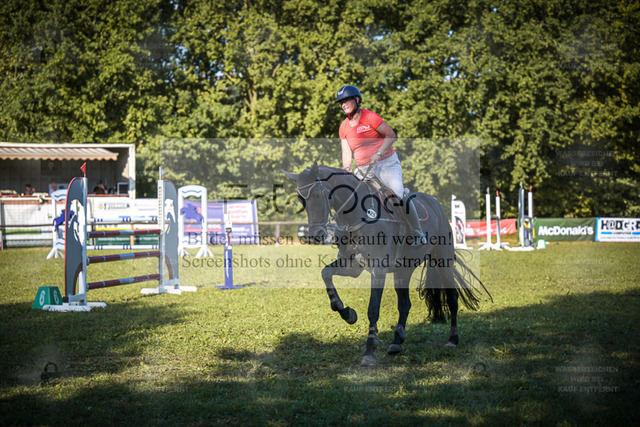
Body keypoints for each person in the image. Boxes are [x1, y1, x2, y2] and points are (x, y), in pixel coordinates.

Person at [336, 84, 426, 244]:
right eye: (341, 103)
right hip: (363, 169)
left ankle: (417, 231)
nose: (343, 105)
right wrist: (346, 170)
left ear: (357, 100)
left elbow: (391, 135)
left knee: (397, 195)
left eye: (346, 101)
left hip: (386, 164)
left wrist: (378, 154)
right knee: (349, 196)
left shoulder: (370, 117)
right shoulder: (343, 127)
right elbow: (346, 152)